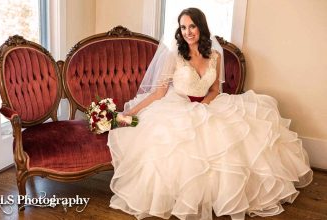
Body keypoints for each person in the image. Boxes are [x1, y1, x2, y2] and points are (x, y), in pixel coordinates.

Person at [107, 7, 313, 220]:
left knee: (238, 136)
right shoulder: (174, 55)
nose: (188, 32)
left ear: (201, 27)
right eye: (183, 27)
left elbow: (215, 90)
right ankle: (179, 197)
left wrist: (204, 105)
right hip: (177, 105)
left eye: (192, 26)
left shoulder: (214, 55)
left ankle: (222, 196)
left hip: (208, 104)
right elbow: (159, 92)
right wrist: (129, 113)